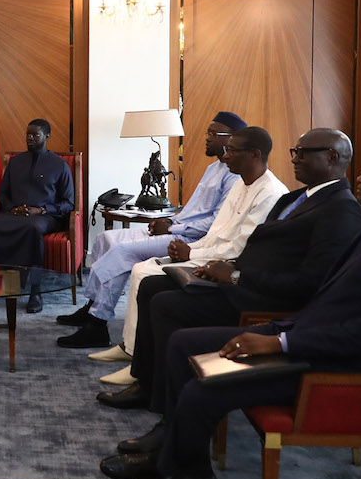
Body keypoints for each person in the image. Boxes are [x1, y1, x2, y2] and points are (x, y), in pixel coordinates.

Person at [99, 143, 361, 479]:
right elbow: (333, 302)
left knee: (201, 387)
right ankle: (171, 448)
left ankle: (189, 473)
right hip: (307, 335)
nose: (359, 178)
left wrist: (278, 343)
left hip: (337, 366)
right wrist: (277, 332)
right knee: (181, 344)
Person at [97, 128, 361, 412]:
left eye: (302, 153)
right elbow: (257, 247)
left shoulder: (341, 209)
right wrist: (225, 267)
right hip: (243, 278)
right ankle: (146, 382)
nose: (294, 159)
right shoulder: (299, 198)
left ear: (332, 157)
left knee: (166, 303)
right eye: (294, 152)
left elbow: (311, 282)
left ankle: (164, 401)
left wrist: (236, 275)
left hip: (264, 297)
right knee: (153, 286)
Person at [80, 127, 287, 385]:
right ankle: (130, 350)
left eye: (233, 150)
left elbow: (237, 249)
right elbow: (216, 231)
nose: (227, 155)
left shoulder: (270, 193)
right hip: (206, 252)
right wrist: (188, 249)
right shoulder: (242, 182)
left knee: (144, 273)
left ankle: (136, 358)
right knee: (140, 269)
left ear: (255, 154)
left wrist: (191, 252)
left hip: (224, 266)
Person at [56, 112, 245, 345]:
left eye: (213, 134)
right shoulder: (213, 168)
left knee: (121, 252)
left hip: (188, 240)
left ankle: (97, 325)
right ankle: (93, 305)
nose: (206, 138)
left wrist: (172, 229)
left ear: (233, 138)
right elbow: (194, 210)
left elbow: (215, 223)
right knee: (105, 239)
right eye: (208, 132)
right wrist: (167, 219)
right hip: (176, 228)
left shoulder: (234, 177)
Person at [0, 119, 75, 313]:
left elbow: (69, 203)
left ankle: (35, 291)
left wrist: (41, 210)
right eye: (28, 135)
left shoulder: (60, 165)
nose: (30, 138)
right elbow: (2, 194)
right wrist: (12, 208)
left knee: (33, 228)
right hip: (14, 213)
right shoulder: (16, 161)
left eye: (35, 135)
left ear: (47, 136)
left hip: (44, 217)